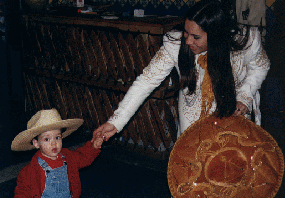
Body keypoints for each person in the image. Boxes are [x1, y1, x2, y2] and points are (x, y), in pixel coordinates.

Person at [92, 0, 270, 142]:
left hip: (233, 115)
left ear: (216, 35)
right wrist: (116, 122)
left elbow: (261, 66)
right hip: (193, 119)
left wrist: (245, 95)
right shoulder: (175, 44)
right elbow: (146, 81)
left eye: (196, 37)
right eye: (186, 33)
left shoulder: (245, 42)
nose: (188, 41)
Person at [11, 108, 103, 198]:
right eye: (47, 139)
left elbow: (83, 157)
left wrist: (93, 147)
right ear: (36, 143)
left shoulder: (68, 156)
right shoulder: (31, 170)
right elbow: (22, 191)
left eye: (57, 137)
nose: (54, 143)